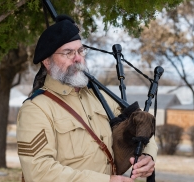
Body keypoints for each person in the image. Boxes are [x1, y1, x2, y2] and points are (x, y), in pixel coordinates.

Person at [16, 15, 157, 182]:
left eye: (80, 51)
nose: (78, 58)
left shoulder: (100, 97)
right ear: (47, 62)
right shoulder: (36, 109)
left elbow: (138, 123)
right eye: (68, 53)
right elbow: (39, 172)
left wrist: (148, 156)